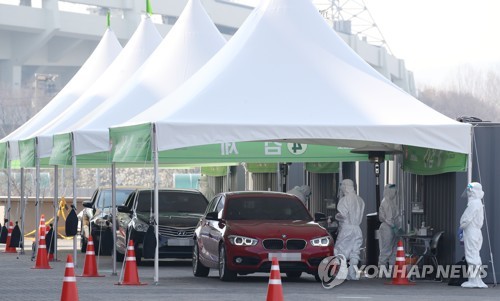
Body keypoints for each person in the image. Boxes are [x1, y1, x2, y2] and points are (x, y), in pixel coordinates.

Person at [334, 179, 365, 280]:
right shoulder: (360, 200)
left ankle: (341, 274)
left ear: (346, 186)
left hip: (346, 228)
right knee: (354, 252)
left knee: (340, 250)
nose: (341, 188)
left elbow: (342, 215)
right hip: (357, 229)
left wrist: (336, 217)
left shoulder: (345, 199)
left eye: (342, 186)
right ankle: (353, 274)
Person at [460, 182, 488, 288]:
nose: (468, 194)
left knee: (472, 255)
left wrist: (461, 226)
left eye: (470, 191)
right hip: (475, 231)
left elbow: (466, 218)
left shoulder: (474, 203)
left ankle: (475, 281)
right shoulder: (478, 203)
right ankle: (474, 279)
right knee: (474, 254)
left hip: (471, 231)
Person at [378, 184, 399, 268]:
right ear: (389, 192)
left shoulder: (391, 202)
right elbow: (388, 218)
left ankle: (392, 270)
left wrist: (396, 227)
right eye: (394, 192)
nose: (395, 194)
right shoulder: (386, 202)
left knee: (393, 250)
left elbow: (396, 217)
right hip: (387, 228)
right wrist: (394, 227)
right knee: (386, 249)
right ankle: (382, 270)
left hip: (391, 228)